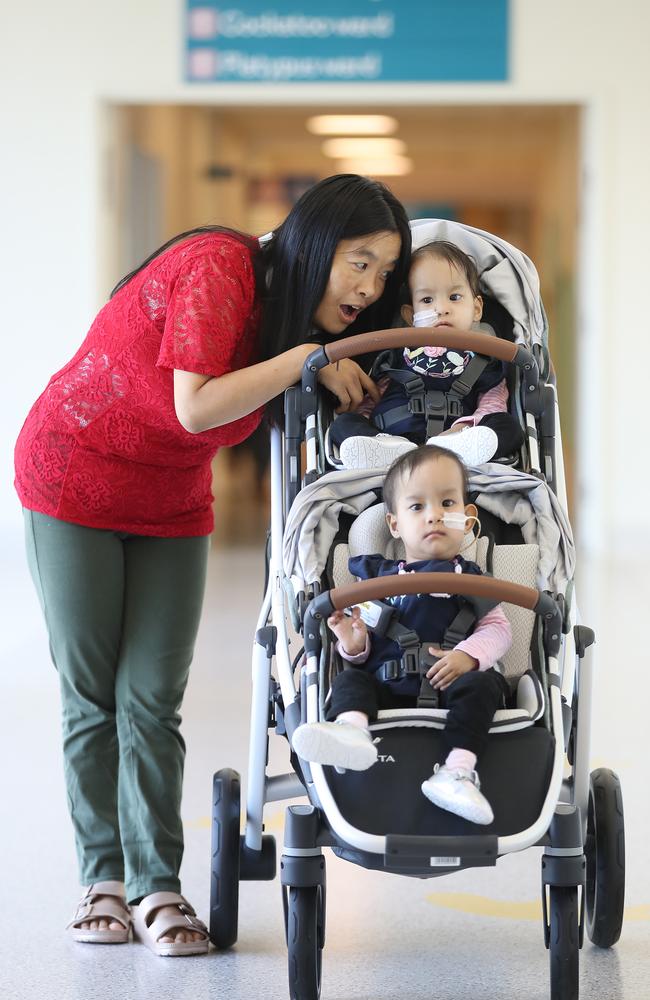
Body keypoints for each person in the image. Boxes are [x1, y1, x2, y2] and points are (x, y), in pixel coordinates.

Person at [13, 174, 411, 955]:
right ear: (314, 242)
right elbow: (195, 405)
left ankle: (158, 886)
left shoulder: (288, 325)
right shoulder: (221, 269)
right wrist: (309, 356)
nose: (369, 285)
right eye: (359, 261)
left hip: (171, 499)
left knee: (153, 699)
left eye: (385, 272)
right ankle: (103, 880)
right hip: (73, 475)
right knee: (93, 693)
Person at [292, 444, 512, 825]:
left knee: (485, 685)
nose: (434, 517)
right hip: (387, 684)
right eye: (417, 507)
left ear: (467, 516)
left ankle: (455, 772)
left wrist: (468, 656)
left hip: (452, 684)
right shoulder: (377, 580)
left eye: (447, 504)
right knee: (350, 678)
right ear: (394, 525)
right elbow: (362, 650)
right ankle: (352, 732)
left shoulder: (473, 580)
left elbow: (499, 629)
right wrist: (352, 641)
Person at [328, 240, 525, 470]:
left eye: (454, 297)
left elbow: (492, 405)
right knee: (343, 425)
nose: (441, 308)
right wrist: (364, 426)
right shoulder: (395, 352)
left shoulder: (486, 357)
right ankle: (382, 449)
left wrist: (465, 428)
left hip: (459, 437)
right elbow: (373, 398)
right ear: (411, 316)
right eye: (427, 300)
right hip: (393, 438)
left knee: (508, 426)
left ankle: (457, 449)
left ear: (477, 308)